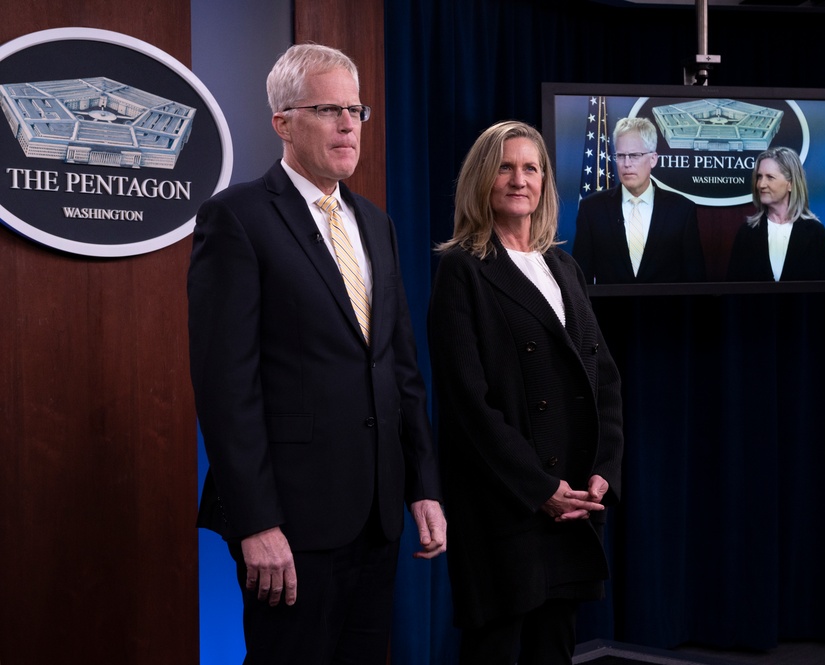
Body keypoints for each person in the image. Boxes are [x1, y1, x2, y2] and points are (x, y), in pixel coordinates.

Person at [187, 43, 446, 664]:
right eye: (329, 109)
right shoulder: (237, 218)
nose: (348, 124)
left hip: (377, 513)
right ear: (283, 122)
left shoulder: (374, 222)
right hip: (290, 521)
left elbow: (399, 367)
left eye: (356, 110)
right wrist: (255, 522)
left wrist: (422, 484)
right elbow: (227, 388)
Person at [427, 120, 624, 665]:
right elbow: (468, 404)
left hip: (573, 503)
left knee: (554, 647)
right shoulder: (462, 270)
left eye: (531, 168)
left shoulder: (564, 267)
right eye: (506, 167)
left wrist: (604, 470)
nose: (520, 179)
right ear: (482, 180)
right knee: (495, 648)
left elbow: (603, 379)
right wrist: (539, 488)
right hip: (505, 504)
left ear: (544, 183)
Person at [573, 116, 705, 284]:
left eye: (635, 155)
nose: (626, 164)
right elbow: (580, 281)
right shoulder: (591, 209)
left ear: (653, 159)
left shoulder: (681, 210)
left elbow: (695, 282)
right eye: (621, 156)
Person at [727, 145, 825, 281]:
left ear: (790, 183)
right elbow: (733, 292)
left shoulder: (815, 233)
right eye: (759, 177)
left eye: (770, 177)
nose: (761, 184)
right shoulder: (747, 232)